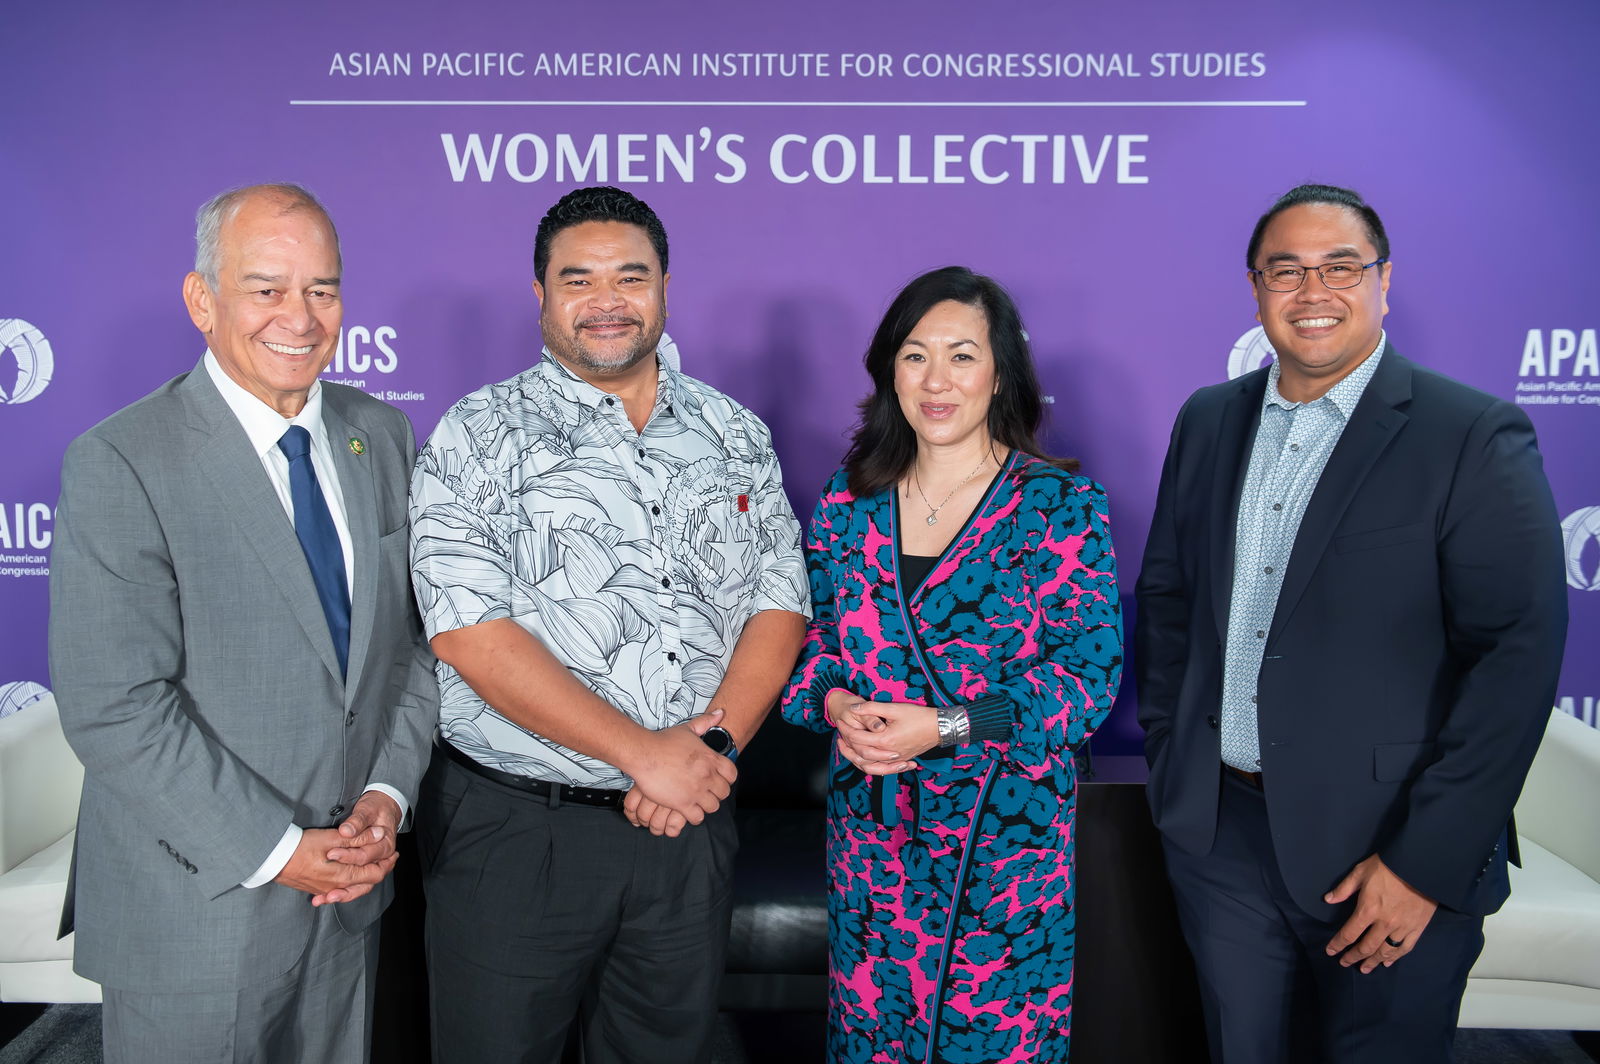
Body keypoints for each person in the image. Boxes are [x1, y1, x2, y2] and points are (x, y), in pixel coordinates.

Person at [1135, 184, 1568, 1063]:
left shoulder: (1470, 433)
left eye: (1340, 267)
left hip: (1386, 850)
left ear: (1383, 280)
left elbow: (1514, 660)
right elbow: (1171, 600)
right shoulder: (1209, 421)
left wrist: (1424, 866)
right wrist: (1173, 754)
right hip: (1222, 839)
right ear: (1255, 289)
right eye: (1285, 270)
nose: (1312, 291)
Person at [408, 185, 809, 1064]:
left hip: (687, 828)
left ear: (666, 285)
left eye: (630, 276)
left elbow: (779, 606)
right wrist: (646, 755)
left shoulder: (733, 433)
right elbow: (469, 634)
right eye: (577, 279)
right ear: (541, 296)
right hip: (517, 832)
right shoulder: (476, 434)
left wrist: (710, 750)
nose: (606, 301)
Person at [48, 183, 439, 1064]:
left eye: (322, 290)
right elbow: (115, 707)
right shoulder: (122, 460)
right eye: (267, 288)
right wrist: (280, 850)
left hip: (350, 895)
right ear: (202, 300)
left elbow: (414, 650)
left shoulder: (381, 436)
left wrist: (386, 796)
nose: (299, 318)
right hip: (198, 904)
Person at [780, 266, 1123, 1064]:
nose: (936, 380)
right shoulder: (848, 500)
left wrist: (946, 726)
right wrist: (836, 708)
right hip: (874, 836)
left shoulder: (1058, 505)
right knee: (873, 1036)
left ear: (1001, 372)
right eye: (914, 355)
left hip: (1006, 845)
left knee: (990, 1042)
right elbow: (809, 647)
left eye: (962, 356)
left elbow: (1088, 676)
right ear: (887, 370)